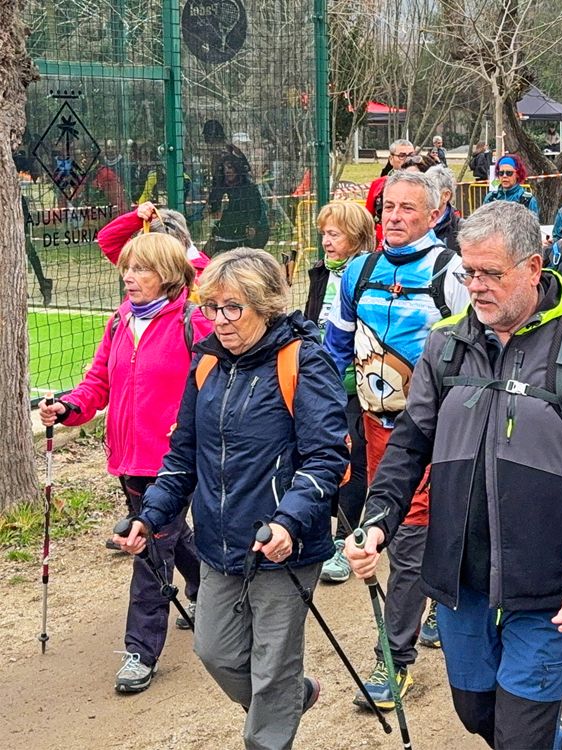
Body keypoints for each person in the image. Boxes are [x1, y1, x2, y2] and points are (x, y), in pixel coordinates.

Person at [344, 200, 562, 750]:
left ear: (533, 268)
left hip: (546, 586)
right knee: (476, 713)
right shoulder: (446, 343)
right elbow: (410, 444)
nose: (475, 286)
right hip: (461, 579)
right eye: (467, 272)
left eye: (490, 273)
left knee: (518, 738)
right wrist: (379, 518)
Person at [113, 248, 350, 749]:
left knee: (271, 667)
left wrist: (288, 522)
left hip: (283, 547)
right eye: (212, 307)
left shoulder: (304, 360)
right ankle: (289, 695)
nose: (219, 320)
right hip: (219, 542)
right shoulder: (206, 364)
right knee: (214, 651)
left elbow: (326, 459)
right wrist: (150, 516)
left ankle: (272, 720)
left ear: (265, 306)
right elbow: (182, 455)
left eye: (233, 307)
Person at [322, 170, 469, 709]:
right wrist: (328, 418)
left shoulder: (450, 272)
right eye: (388, 207)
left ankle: (395, 659)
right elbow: (334, 350)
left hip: (433, 432)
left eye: (409, 208)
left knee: (406, 541)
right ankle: (439, 599)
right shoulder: (357, 272)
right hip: (370, 426)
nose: (396, 217)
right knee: (399, 532)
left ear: (434, 215)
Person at [40, 233, 208, 693]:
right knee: (169, 535)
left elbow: (215, 384)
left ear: (169, 277)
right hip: (128, 457)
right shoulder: (119, 322)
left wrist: (193, 425)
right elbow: (97, 383)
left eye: (142, 270)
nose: (129, 277)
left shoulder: (193, 324)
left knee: (149, 546)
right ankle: (206, 592)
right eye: (127, 268)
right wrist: (70, 408)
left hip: (174, 460)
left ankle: (140, 651)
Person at [301, 202, 375, 584]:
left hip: (356, 384)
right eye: (324, 233)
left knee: (353, 461)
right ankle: (319, 535)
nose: (326, 241)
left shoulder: (369, 276)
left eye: (335, 234)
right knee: (318, 453)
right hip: (318, 381)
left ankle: (345, 541)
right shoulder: (319, 273)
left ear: (358, 238)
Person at [98, 200, 211, 279]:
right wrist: (137, 217)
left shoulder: (203, 277)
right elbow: (107, 239)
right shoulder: (140, 260)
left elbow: (107, 240)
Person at [207, 154, 269, 255]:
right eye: (224, 169)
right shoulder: (219, 188)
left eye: (230, 167)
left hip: (244, 236)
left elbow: (255, 210)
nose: (227, 171)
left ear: (237, 168)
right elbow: (213, 212)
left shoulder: (249, 188)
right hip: (223, 235)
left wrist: (252, 226)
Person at [428, 165, 463, 254]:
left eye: (431, 192)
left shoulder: (461, 230)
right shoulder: (415, 224)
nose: (425, 197)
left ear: (446, 195)